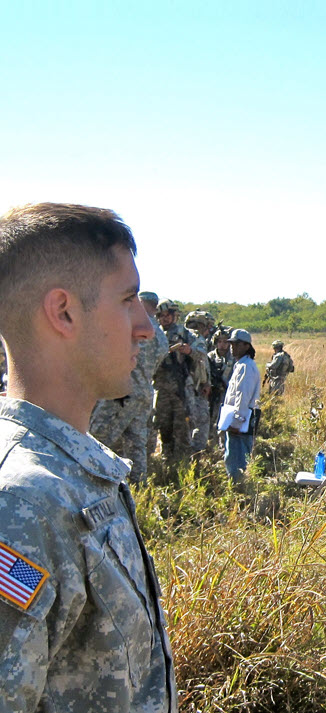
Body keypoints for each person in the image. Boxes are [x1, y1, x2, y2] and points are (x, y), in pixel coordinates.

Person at [0, 203, 177, 711]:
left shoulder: (76, 470)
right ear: (64, 312)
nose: (145, 328)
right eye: (127, 300)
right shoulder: (21, 500)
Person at [90, 290, 169, 483]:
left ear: (141, 303)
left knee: (99, 437)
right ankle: (138, 485)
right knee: (136, 443)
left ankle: (96, 482)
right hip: (145, 394)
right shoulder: (161, 336)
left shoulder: (132, 327)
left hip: (123, 392)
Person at [153, 299, 195, 466]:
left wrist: (189, 350)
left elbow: (201, 354)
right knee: (164, 426)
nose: (165, 318)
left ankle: (183, 463)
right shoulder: (155, 334)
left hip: (180, 389)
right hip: (161, 389)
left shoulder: (185, 334)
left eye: (168, 315)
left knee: (182, 427)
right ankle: (167, 460)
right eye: (161, 316)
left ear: (174, 315)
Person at [219, 329, 261, 484]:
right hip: (239, 418)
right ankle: (237, 486)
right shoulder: (241, 364)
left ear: (246, 345)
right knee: (233, 454)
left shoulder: (246, 367)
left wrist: (237, 421)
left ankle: (239, 488)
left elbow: (243, 395)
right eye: (231, 344)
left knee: (237, 457)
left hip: (242, 420)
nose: (232, 347)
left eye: (236, 344)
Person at [183, 310, 212, 452]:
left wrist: (206, 382)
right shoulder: (195, 339)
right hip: (191, 389)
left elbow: (203, 366)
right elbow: (200, 357)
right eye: (208, 326)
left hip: (196, 387)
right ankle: (194, 453)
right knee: (196, 422)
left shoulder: (184, 337)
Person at [207, 325, 234, 441]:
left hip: (228, 395)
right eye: (220, 341)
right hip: (212, 394)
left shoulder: (234, 358)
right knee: (210, 420)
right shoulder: (210, 357)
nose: (222, 344)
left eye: (225, 342)